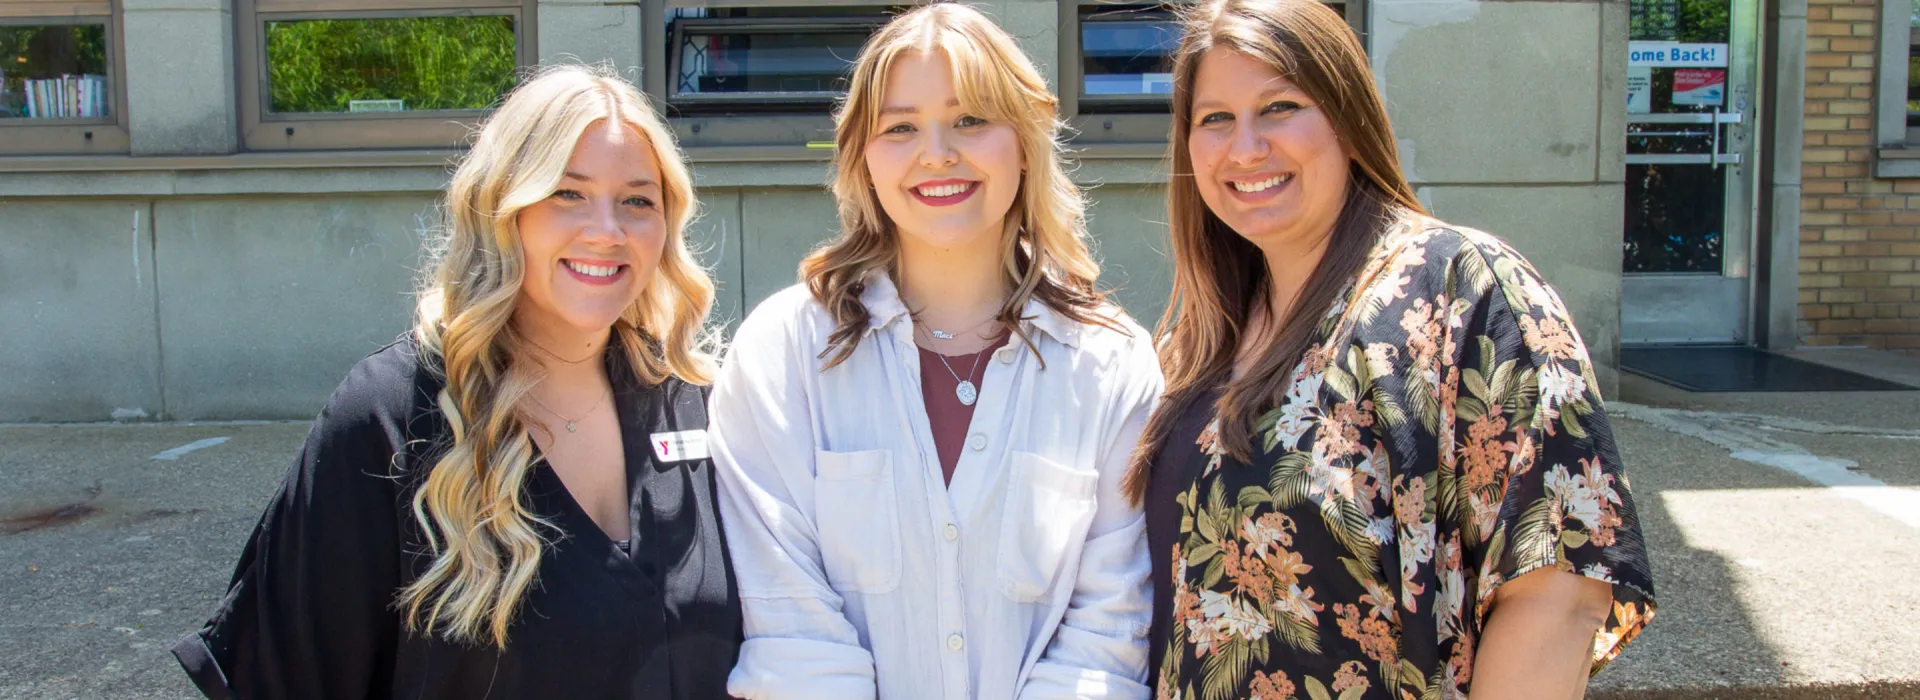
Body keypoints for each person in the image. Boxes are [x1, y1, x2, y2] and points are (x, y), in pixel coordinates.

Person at [1127, 1, 1657, 698]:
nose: (1246, 147)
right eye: (1216, 118)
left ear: (1348, 119)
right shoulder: (1201, 336)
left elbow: (1557, 589)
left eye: (1280, 107)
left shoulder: (1460, 288)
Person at [171, 64, 741, 699]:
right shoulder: (391, 418)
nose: (607, 231)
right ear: (502, 208)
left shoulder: (695, 402)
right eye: (566, 193)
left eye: (638, 200)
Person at [708, 4, 1163, 699]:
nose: (938, 152)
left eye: (971, 119)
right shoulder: (783, 356)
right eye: (900, 127)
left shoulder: (1110, 366)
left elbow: (1106, 637)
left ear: (1026, 138)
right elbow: (791, 633)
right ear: (862, 155)